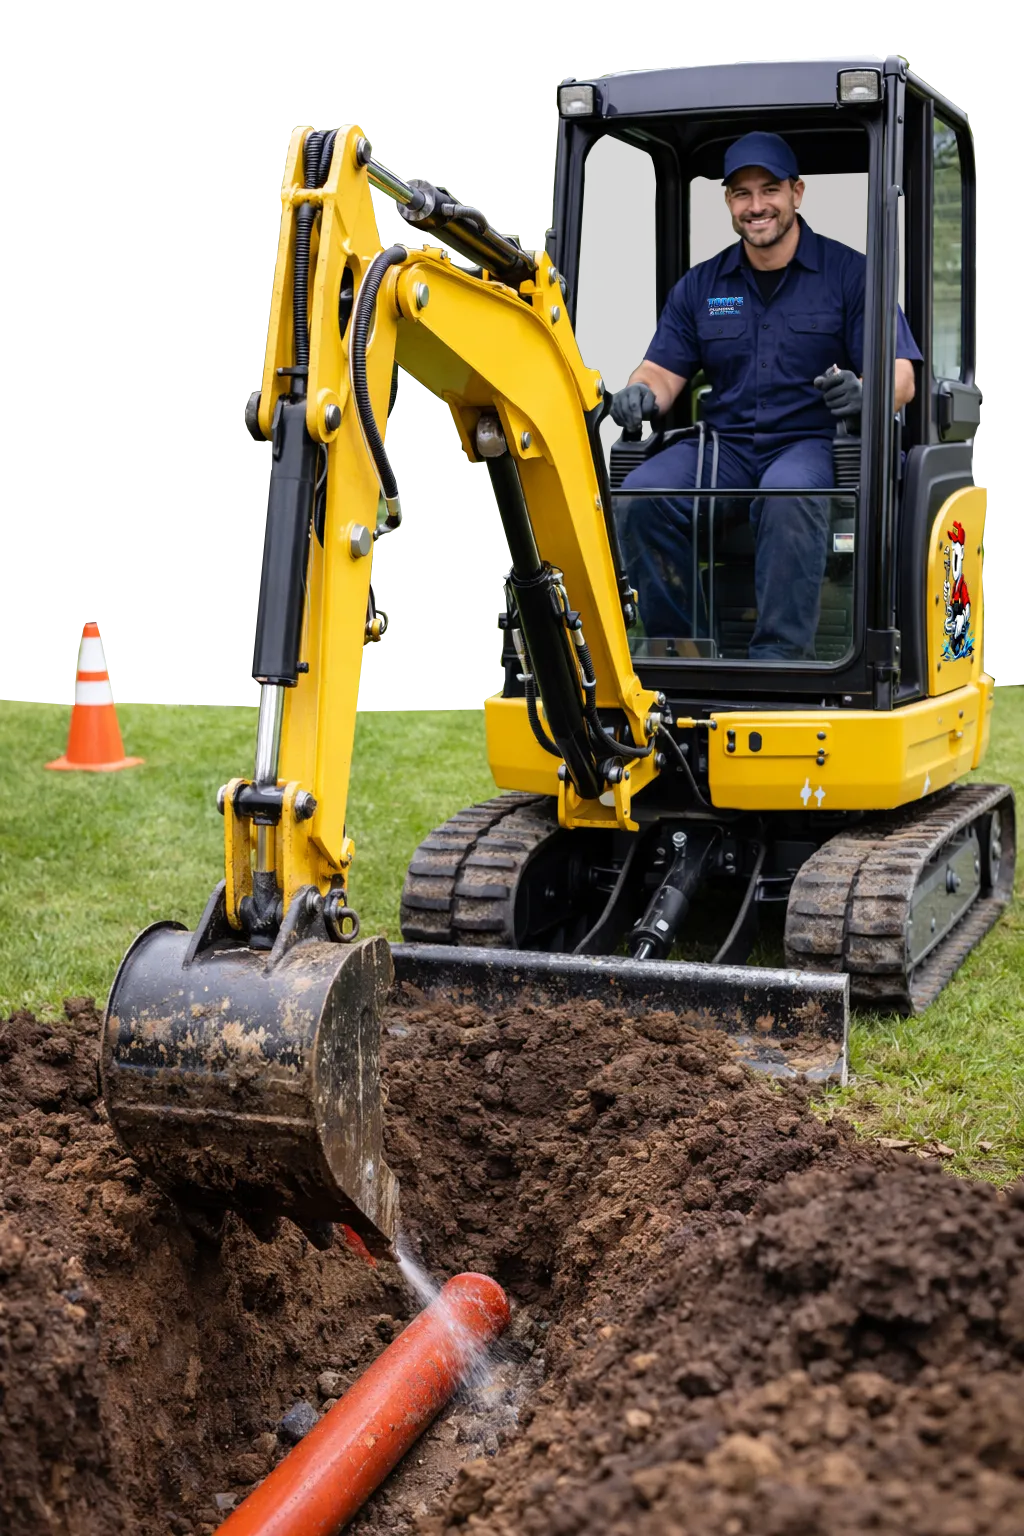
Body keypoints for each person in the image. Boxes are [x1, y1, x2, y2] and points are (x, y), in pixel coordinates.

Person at [612, 131, 921, 659]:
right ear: (729, 203)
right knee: (642, 492)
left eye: (769, 190)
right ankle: (680, 654)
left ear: (796, 193)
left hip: (810, 445)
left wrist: (863, 390)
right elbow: (661, 373)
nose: (757, 206)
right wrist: (639, 394)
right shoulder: (701, 287)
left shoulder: (852, 276)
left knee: (786, 493)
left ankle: (778, 662)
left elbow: (903, 378)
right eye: (742, 193)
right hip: (726, 449)